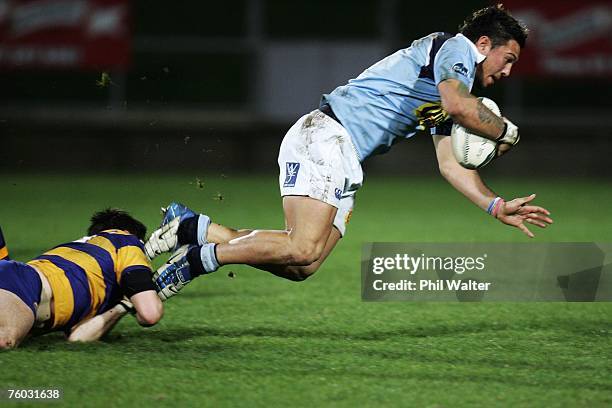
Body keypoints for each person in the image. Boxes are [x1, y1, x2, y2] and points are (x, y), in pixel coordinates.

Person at [145, 5, 553, 298]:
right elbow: (461, 108)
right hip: (327, 136)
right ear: (484, 43)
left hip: (343, 152)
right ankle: (195, 262)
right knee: (301, 245)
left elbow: (450, 164)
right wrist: (505, 131)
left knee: (304, 264)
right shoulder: (456, 50)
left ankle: (191, 229)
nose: (508, 71)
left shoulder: (451, 86)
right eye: (508, 58)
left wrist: (494, 205)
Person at [0, 209, 163, 349]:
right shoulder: (126, 240)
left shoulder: (92, 273)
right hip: (21, 283)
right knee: (4, 340)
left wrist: (124, 305)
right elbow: (150, 314)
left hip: (16, 280)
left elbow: (78, 338)